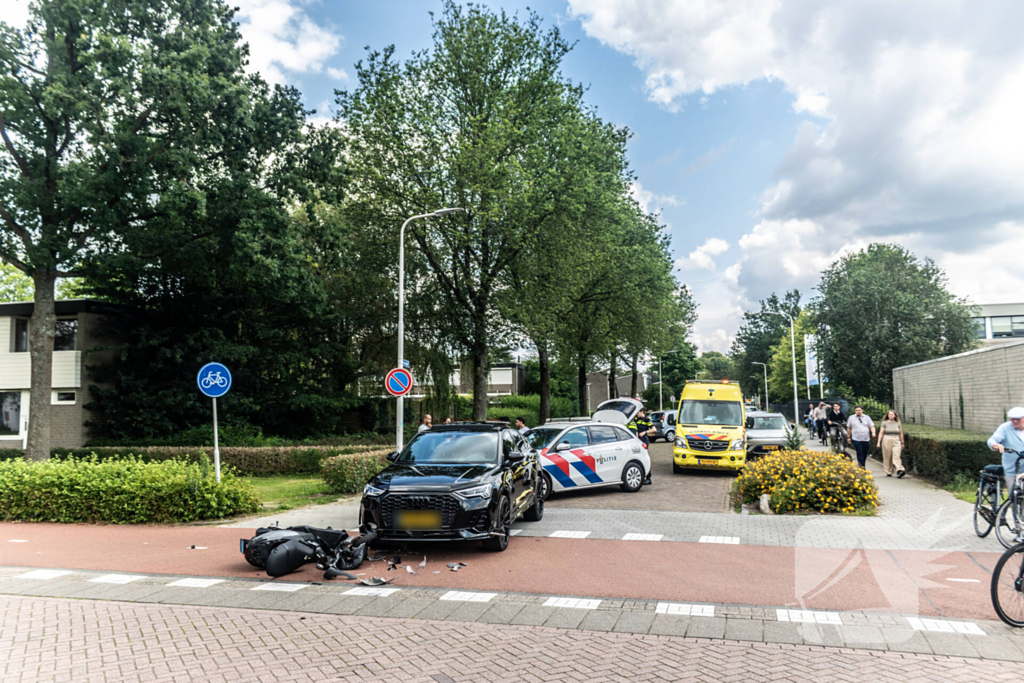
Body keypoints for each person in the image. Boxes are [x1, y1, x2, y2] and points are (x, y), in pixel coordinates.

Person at [988, 407, 1024, 505]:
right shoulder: (1005, 428)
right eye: (1013, 419)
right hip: (1011, 470)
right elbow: (993, 439)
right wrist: (995, 445)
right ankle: (1015, 513)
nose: (1015, 421)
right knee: (1015, 500)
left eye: (1018, 419)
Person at [627, 407, 656, 485]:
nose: (636, 414)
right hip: (637, 441)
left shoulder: (647, 419)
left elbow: (654, 429)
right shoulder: (636, 419)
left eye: (637, 413)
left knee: (644, 457)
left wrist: (645, 432)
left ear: (642, 411)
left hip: (644, 440)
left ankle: (649, 478)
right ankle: (642, 477)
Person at [875, 409, 905, 478]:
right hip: (887, 439)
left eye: (892, 414)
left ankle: (900, 469)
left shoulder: (898, 423)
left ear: (895, 416)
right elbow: (881, 433)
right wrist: (878, 442)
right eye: (889, 414)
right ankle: (889, 471)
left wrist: (902, 442)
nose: (891, 416)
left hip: (896, 439)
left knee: (896, 455)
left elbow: (901, 434)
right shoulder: (884, 423)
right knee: (887, 456)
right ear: (887, 415)